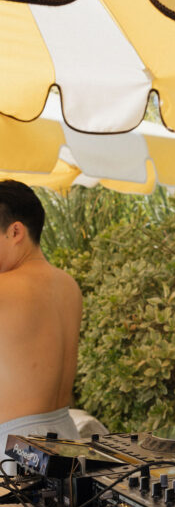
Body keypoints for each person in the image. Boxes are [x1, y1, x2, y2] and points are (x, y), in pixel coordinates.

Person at [0, 180, 82, 460]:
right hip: (67, 438)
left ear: (15, 231)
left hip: (17, 451)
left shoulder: (5, 287)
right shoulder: (68, 285)